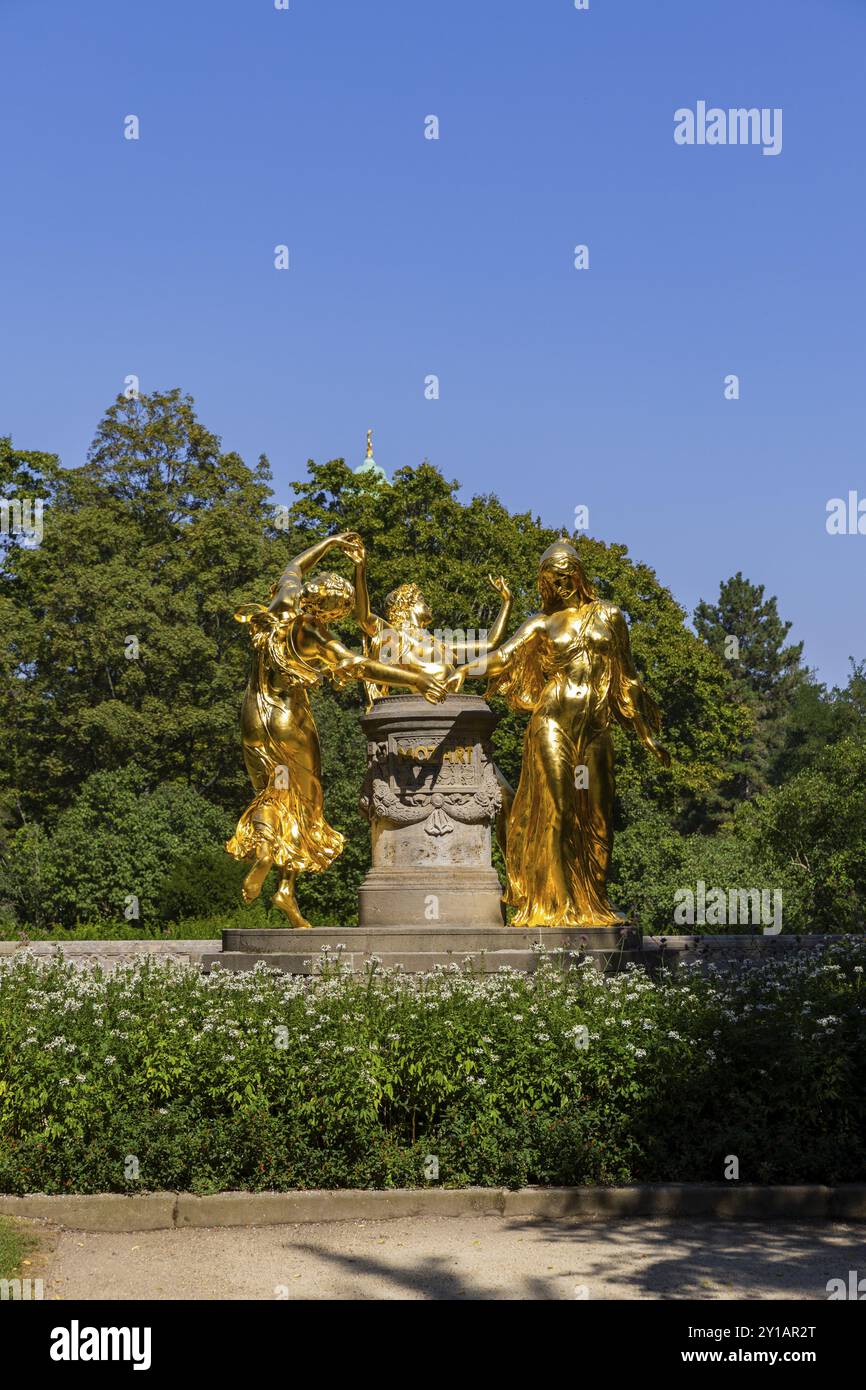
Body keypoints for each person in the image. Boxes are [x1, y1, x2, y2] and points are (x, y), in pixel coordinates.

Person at [227, 531, 446, 928]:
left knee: (271, 793)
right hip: (291, 724)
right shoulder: (314, 634)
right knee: (305, 798)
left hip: (254, 719)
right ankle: (278, 870)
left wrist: (330, 544)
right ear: (330, 613)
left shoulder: (281, 605)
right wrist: (413, 681)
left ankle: (279, 877)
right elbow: (362, 666)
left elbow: (294, 564)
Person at [451, 537, 670, 927]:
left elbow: (629, 678)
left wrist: (645, 733)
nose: (562, 584)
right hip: (551, 723)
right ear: (545, 583)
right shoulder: (541, 624)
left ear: (579, 575)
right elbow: (503, 657)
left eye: (567, 575)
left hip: (596, 729)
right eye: (554, 578)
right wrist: (465, 669)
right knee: (557, 810)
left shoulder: (608, 616)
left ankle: (594, 903)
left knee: (599, 818)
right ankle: (557, 905)